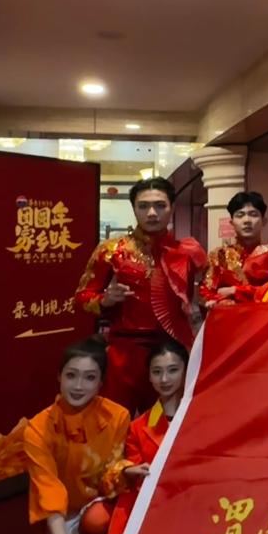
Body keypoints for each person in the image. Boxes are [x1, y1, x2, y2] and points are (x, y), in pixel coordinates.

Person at [75, 177, 206, 414]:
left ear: (172, 207)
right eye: (143, 206)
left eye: (160, 205)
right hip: (124, 352)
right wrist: (104, 300)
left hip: (172, 350)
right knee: (117, 419)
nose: (152, 213)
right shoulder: (112, 251)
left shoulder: (189, 252)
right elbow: (81, 297)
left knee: (166, 420)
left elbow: (206, 294)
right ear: (134, 208)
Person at [23, 337, 130, 534]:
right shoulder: (37, 429)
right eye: (71, 375)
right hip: (60, 517)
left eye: (89, 377)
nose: (79, 386)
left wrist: (127, 471)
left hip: (101, 506)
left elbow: (113, 475)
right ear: (59, 376)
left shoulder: (118, 416)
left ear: (101, 382)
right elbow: (49, 493)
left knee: (97, 521)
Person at [99, 339, 189, 534]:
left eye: (173, 370)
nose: (164, 379)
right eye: (156, 372)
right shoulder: (139, 428)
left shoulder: (201, 417)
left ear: (187, 370)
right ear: (148, 377)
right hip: (154, 516)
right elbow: (131, 490)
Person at [201, 191, 268, 306]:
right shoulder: (219, 256)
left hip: (265, 315)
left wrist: (235, 291)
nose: (247, 220)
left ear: (264, 221)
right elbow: (206, 293)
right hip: (231, 316)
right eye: (240, 215)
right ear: (232, 222)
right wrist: (222, 301)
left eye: (253, 214)